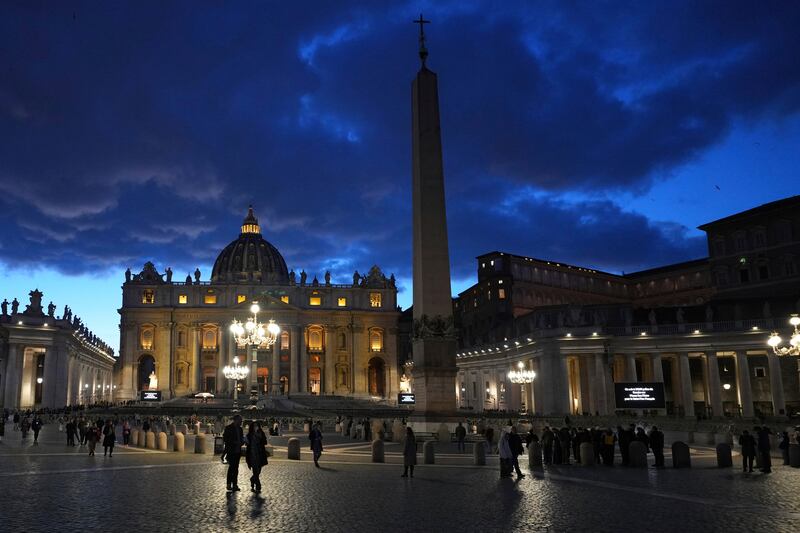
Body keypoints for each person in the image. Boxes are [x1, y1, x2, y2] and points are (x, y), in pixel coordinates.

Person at [223, 415, 244, 492]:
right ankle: (229, 484)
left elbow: (241, 439)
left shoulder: (240, 429)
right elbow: (225, 439)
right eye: (240, 420)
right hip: (231, 451)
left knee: (236, 468)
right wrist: (234, 442)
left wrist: (242, 442)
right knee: (231, 468)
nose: (241, 422)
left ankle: (235, 484)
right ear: (235, 420)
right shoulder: (228, 428)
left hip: (238, 451)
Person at [246, 422, 268, 493]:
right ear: (252, 427)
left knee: (258, 471)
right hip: (252, 455)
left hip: (260, 454)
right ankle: (258, 485)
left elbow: (265, 442)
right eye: (254, 426)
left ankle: (252, 479)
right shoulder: (249, 435)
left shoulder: (261, 433)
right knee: (255, 471)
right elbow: (247, 444)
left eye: (257, 426)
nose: (256, 427)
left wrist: (260, 437)